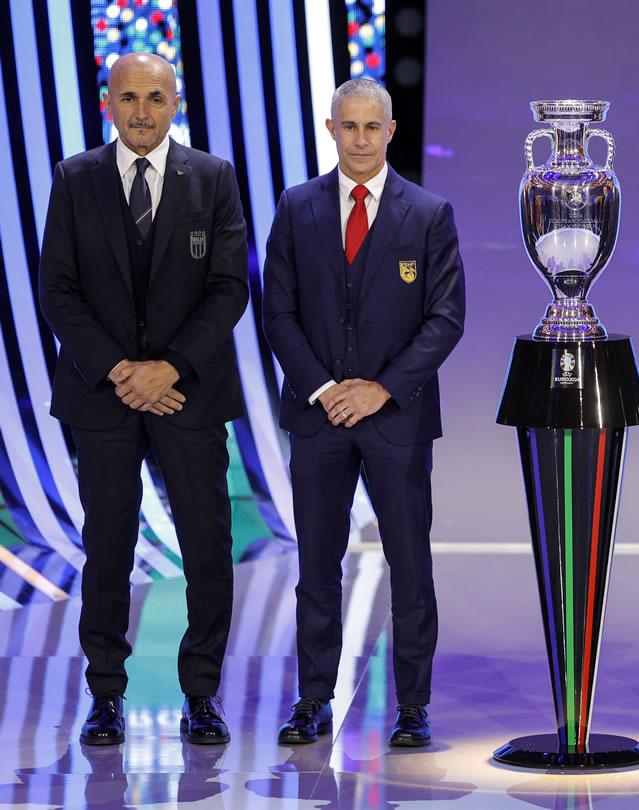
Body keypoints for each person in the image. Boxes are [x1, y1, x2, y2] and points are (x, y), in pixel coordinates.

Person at [39, 52, 249, 745]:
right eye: (128, 98)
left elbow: (229, 288)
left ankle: (201, 692)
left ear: (174, 102)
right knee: (105, 545)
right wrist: (124, 371)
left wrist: (170, 368)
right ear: (109, 103)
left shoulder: (213, 178)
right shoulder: (74, 178)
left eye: (154, 98)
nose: (141, 112)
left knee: (207, 546)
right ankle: (105, 695)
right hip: (102, 397)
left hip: (189, 395)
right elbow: (58, 293)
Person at [263, 78, 466, 747]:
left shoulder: (430, 213)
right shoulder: (297, 208)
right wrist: (326, 388)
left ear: (390, 131)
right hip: (319, 418)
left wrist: (380, 388)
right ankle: (312, 700)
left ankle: (413, 708)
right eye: (347, 127)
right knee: (317, 565)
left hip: (396, 417)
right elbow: (279, 314)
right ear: (330, 130)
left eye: (370, 127)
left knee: (410, 565)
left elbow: (445, 318)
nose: (359, 139)